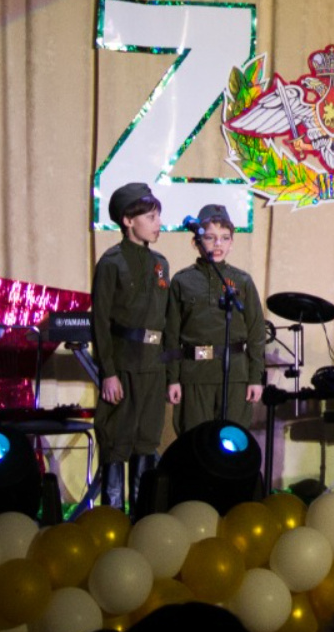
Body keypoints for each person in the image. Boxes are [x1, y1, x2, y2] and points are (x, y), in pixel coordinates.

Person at [91, 181, 171, 510]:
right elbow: (100, 321)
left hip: (154, 365)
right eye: (151, 217)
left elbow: (166, 319)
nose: (158, 224)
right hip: (123, 363)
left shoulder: (160, 263)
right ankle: (113, 517)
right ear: (128, 220)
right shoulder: (112, 262)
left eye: (158, 216)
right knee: (117, 440)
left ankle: (142, 515)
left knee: (146, 441)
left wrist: (169, 371)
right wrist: (108, 372)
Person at [164, 204, 266, 435]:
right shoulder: (182, 281)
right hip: (194, 375)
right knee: (196, 440)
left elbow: (256, 333)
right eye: (210, 237)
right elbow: (171, 335)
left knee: (232, 440)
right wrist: (173, 379)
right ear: (196, 242)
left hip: (234, 375)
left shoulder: (242, 281)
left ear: (232, 243)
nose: (218, 244)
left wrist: (254, 378)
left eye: (225, 238)